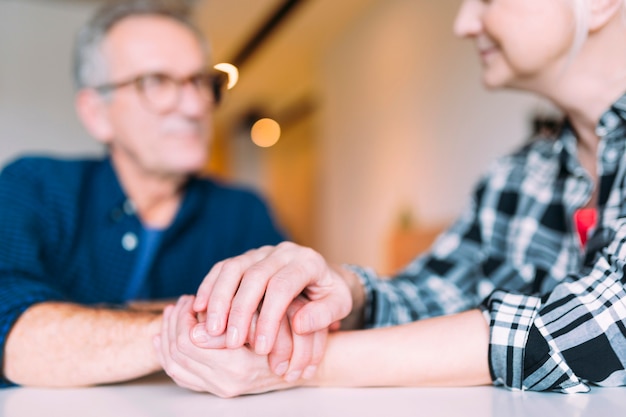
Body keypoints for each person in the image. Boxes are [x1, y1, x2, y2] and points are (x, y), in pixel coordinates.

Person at [155, 0, 626, 397]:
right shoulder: (518, 175)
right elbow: (438, 292)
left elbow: (604, 325)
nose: (463, 23)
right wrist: (343, 290)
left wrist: (296, 364)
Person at [0, 0, 288, 388]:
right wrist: (200, 326)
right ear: (95, 113)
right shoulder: (33, 186)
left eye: (200, 81)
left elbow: (286, 327)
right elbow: (13, 332)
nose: (194, 106)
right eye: (155, 82)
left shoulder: (243, 211)